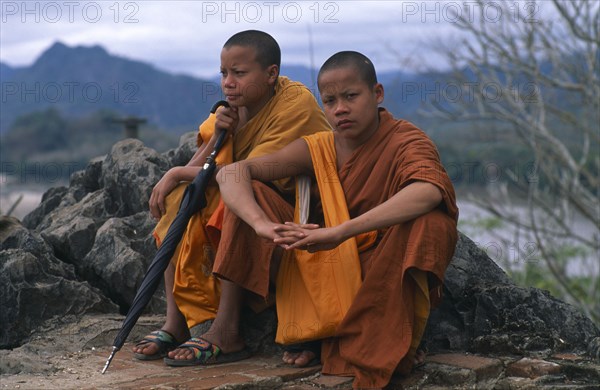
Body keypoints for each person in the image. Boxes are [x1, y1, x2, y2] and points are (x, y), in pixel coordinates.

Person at [213, 51, 458, 388]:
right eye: (329, 101)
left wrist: (342, 232)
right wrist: (262, 224)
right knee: (250, 194)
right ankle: (290, 331)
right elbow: (233, 174)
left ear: (377, 94)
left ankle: (380, 340)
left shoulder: (406, 140)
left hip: (376, 263)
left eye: (351, 96)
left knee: (431, 223)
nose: (340, 108)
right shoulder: (320, 147)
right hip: (323, 262)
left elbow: (429, 191)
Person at [132, 30, 331, 363]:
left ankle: (227, 331)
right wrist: (220, 137)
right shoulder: (232, 108)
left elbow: (244, 173)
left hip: (295, 220)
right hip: (251, 201)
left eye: (239, 74)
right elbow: (206, 167)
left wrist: (176, 171)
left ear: (271, 75)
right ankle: (176, 321)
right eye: (224, 73)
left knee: (238, 195)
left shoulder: (295, 104)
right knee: (183, 196)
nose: (228, 83)